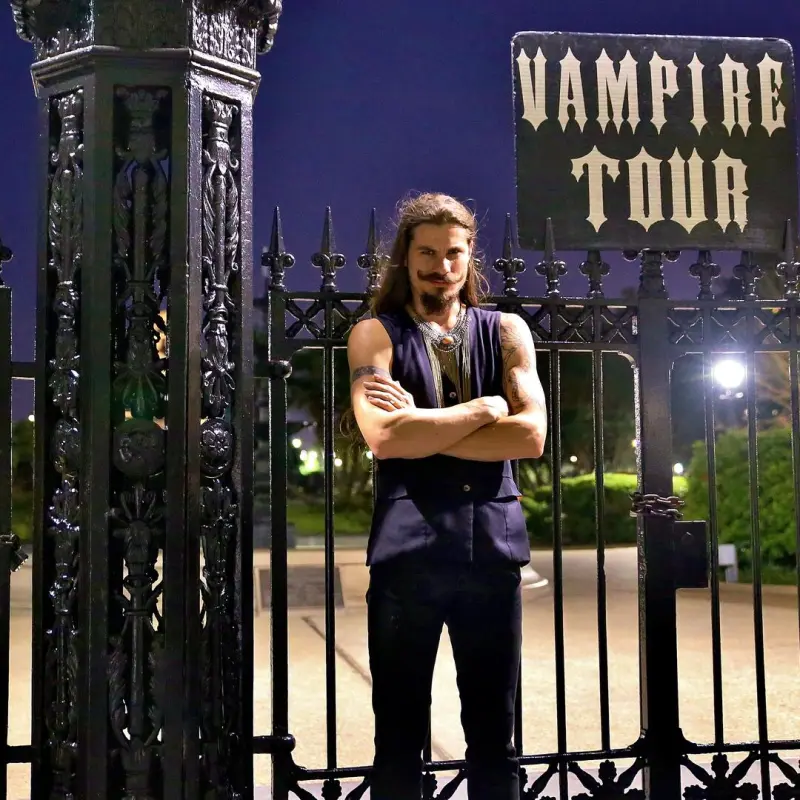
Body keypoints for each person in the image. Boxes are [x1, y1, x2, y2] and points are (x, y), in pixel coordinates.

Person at [346, 192, 547, 800]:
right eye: (428, 253)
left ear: (470, 256)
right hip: (407, 557)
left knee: (495, 737)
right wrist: (484, 409)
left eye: (453, 253)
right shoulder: (374, 335)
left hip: (491, 554)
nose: (442, 266)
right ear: (406, 258)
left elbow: (531, 436)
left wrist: (425, 429)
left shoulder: (506, 330)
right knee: (398, 737)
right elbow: (385, 437)